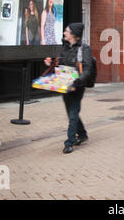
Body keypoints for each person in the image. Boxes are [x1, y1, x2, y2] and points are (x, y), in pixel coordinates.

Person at [44, 23, 92, 154]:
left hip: (77, 86)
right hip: (64, 84)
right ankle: (82, 134)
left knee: (72, 113)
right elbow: (60, 63)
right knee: (72, 112)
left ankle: (69, 142)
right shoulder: (64, 47)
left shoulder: (84, 49)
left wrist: (75, 83)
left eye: (66, 31)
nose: (64, 33)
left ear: (74, 35)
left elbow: (87, 70)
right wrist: (51, 61)